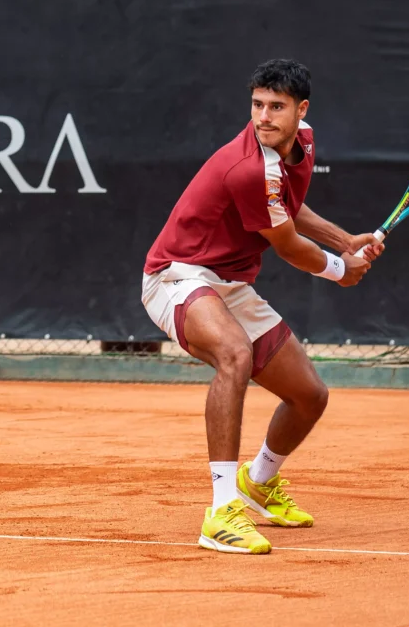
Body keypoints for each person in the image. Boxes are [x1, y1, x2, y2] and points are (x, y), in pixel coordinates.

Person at [141, 59, 384, 554]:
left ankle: (259, 482)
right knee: (234, 354)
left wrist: (343, 240)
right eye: (256, 105)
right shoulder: (251, 167)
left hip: (229, 282)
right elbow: (289, 246)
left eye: (276, 107)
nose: (264, 117)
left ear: (302, 111)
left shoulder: (302, 144)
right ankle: (221, 510)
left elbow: (288, 208)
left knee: (309, 395)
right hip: (177, 275)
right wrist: (341, 269)